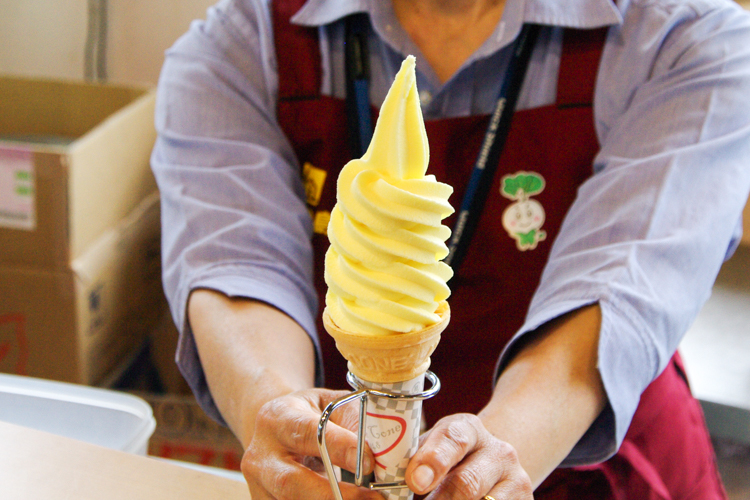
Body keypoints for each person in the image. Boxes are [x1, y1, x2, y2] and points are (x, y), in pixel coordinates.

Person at [150, 0, 750, 498]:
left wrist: (489, 464)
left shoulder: (683, 38)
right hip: (353, 467)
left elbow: (622, 283)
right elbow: (236, 260)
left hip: (594, 465)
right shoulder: (244, 41)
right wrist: (282, 413)